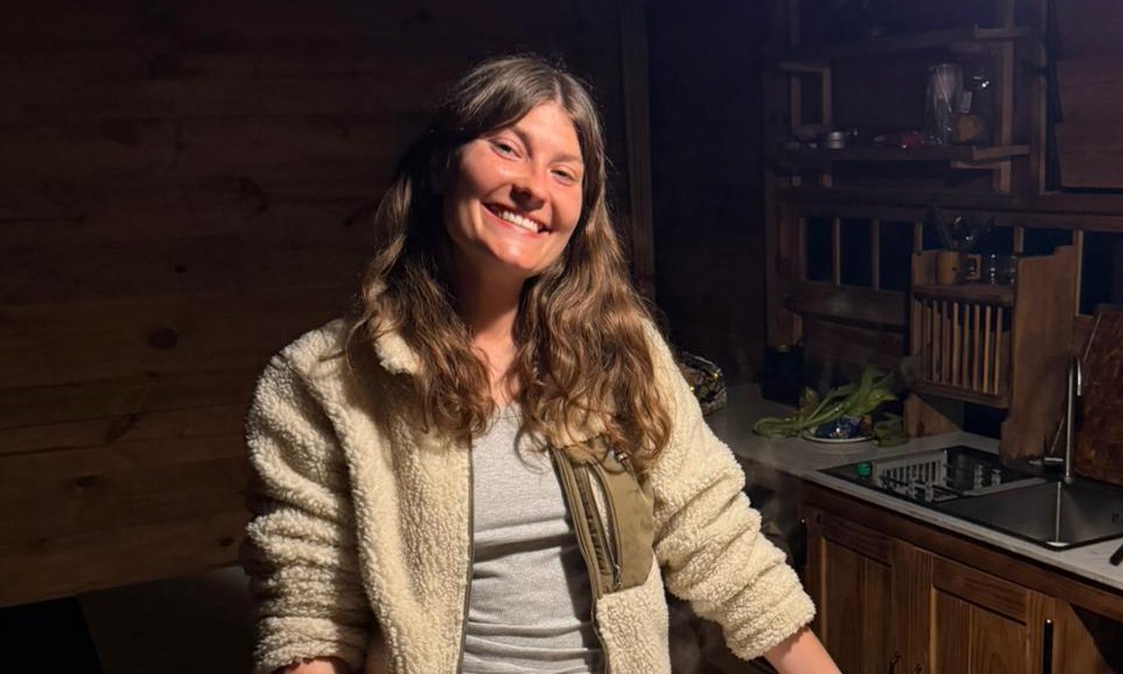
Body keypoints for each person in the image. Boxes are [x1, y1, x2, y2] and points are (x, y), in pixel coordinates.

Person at [243, 54, 840, 674]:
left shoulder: (621, 353)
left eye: (564, 173)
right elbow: (310, 616)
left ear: (582, 211)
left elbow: (717, 540)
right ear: (443, 165)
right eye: (507, 148)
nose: (534, 187)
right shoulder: (323, 381)